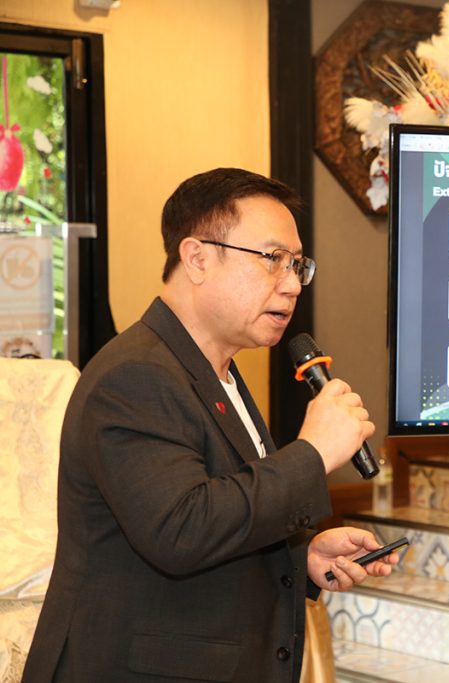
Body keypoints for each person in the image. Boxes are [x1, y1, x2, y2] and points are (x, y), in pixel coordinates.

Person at [23, 168, 396, 682]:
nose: (292, 284)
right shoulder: (136, 375)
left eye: (297, 265)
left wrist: (301, 555)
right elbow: (181, 531)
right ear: (197, 258)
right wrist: (312, 453)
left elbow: (224, 508)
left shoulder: (217, 371)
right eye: (272, 259)